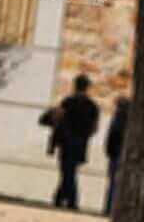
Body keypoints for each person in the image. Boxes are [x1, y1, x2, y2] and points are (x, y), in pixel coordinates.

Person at [42, 75, 101, 209]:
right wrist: (84, 135)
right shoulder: (92, 106)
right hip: (81, 143)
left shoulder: (68, 101)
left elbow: (58, 120)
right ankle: (59, 198)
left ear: (75, 85)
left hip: (66, 141)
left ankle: (71, 200)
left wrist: (54, 142)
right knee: (70, 170)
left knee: (67, 171)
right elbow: (95, 128)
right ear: (87, 87)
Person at [104, 95, 131, 214]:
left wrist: (109, 151)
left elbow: (112, 136)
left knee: (113, 183)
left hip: (116, 154)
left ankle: (109, 208)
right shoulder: (131, 120)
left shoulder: (118, 119)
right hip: (124, 154)